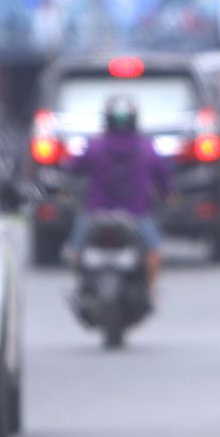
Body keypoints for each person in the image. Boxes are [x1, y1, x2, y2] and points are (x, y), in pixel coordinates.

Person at [67, 95, 172, 294]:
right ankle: (149, 291)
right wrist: (167, 194)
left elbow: (73, 168)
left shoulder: (95, 146)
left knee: (74, 250)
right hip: (136, 215)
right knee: (155, 251)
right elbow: (164, 176)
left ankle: (81, 288)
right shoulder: (146, 147)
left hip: (96, 214)